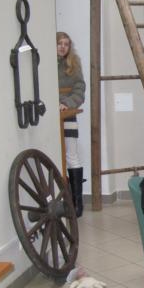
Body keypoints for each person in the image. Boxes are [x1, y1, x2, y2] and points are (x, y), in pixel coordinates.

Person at [57, 32, 86, 217]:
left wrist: (66, 103)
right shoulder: (44, 64)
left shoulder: (74, 64)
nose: (62, 47)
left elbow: (80, 90)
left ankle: (77, 204)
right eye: (59, 43)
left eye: (66, 44)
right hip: (50, 115)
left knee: (72, 156)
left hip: (68, 115)